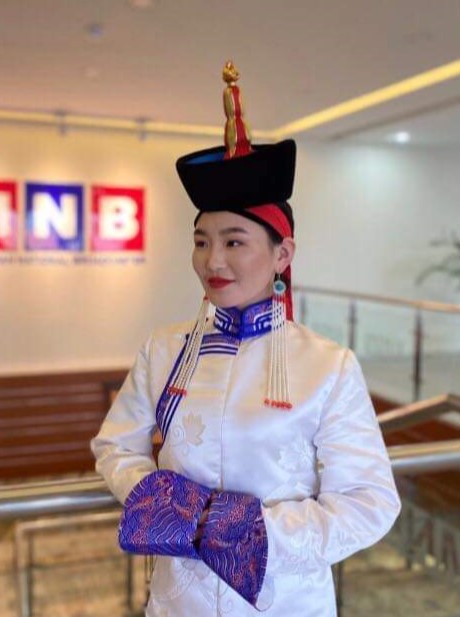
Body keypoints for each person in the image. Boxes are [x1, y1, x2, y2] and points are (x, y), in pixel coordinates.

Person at [91, 61, 401, 617]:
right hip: (176, 602)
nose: (213, 261)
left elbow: (370, 502)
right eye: (201, 241)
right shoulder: (164, 349)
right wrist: (167, 504)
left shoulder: (328, 365)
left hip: (286, 602)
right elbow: (115, 446)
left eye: (234, 242)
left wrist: (245, 533)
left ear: (283, 255)